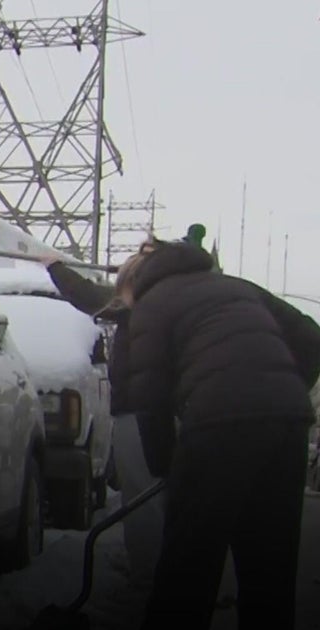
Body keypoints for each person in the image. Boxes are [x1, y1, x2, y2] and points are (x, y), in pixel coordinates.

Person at [115, 239, 320, 630]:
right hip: (288, 423)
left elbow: (149, 395)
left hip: (216, 428)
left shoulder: (152, 304)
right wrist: (284, 387)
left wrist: (164, 465)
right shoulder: (238, 286)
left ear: (135, 286)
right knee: (269, 566)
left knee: (188, 565)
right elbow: (312, 337)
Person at [39, 245, 164, 590]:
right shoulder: (194, 293)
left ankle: (150, 580)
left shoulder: (147, 296)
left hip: (141, 411)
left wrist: (56, 267)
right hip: (190, 411)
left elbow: (90, 296)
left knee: (143, 498)